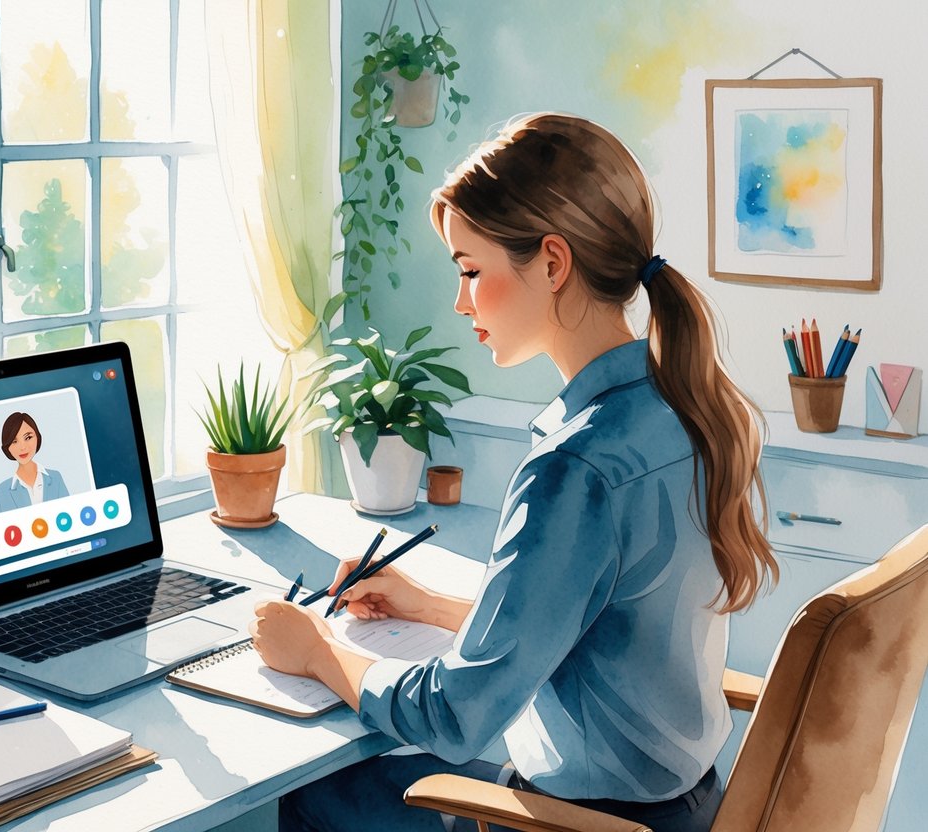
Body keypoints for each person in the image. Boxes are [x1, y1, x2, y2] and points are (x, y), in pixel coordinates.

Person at [248, 113, 778, 832]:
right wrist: (428, 606)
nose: (460, 300)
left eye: (471, 270)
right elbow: (595, 629)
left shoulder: (575, 465)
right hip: (684, 809)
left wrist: (315, 652)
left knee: (316, 796)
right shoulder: (684, 409)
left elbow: (453, 716)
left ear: (553, 263)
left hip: (579, 823)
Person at [0, 411, 70, 513]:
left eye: (28, 437)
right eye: (14, 441)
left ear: (37, 437)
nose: (23, 447)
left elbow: (69, 513)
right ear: (8, 447)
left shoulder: (56, 478)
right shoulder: (1, 492)